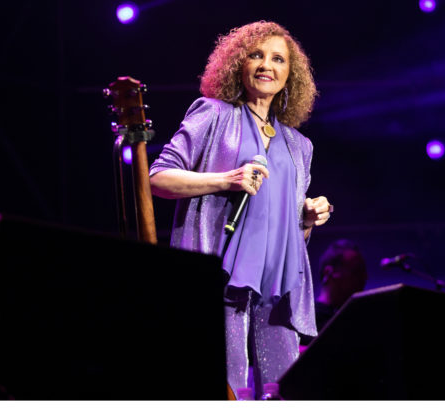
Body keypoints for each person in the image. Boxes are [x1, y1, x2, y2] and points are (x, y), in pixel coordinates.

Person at [149, 21, 332, 398]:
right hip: (222, 275)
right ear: (238, 64)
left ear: (290, 74)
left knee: (285, 392)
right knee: (223, 388)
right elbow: (158, 178)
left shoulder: (300, 146)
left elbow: (293, 237)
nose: (267, 65)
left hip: (279, 287)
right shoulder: (214, 115)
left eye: (278, 59)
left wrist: (307, 220)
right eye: (256, 55)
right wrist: (226, 179)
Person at [300, 239, 368, 347]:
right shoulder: (304, 320)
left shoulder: (356, 319)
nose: (364, 278)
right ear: (328, 272)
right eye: (355, 271)